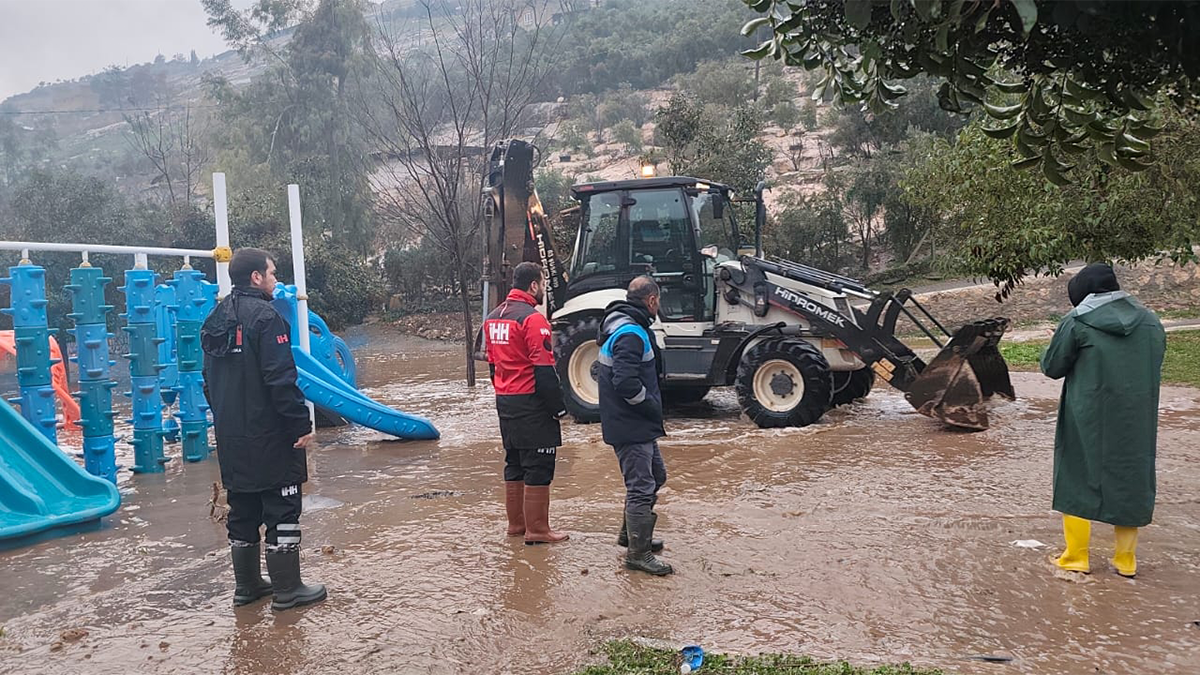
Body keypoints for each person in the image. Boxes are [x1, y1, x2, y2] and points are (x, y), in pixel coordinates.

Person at [201, 247, 327, 610]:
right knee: (282, 508)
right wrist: (299, 423)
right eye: (271, 273)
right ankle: (288, 589)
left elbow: (207, 380)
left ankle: (248, 587)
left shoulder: (214, 318)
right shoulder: (267, 319)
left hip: (231, 435)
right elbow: (280, 379)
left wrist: (226, 417)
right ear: (256, 277)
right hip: (270, 435)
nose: (275, 279)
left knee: (242, 509)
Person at [1040, 263, 1165, 578]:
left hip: (1087, 415)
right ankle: (1125, 561)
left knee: (1076, 475)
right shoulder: (1150, 322)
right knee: (1131, 477)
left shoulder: (1076, 321)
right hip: (1137, 417)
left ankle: (1076, 557)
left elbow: (1052, 367)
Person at [482, 262, 569, 544]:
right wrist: (558, 408)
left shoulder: (493, 318)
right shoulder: (533, 320)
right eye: (543, 283)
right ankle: (538, 530)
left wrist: (504, 393)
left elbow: (492, 367)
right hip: (531, 403)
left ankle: (517, 526)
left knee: (515, 462)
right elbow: (544, 371)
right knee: (539, 465)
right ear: (534, 285)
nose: (543, 288)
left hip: (505, 402)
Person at [597, 275, 672, 576]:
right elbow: (626, 383)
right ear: (652, 300)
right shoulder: (630, 333)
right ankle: (637, 555)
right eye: (658, 301)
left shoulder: (620, 321)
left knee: (656, 475)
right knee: (642, 486)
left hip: (632, 422)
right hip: (631, 424)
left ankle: (631, 535)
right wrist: (649, 404)